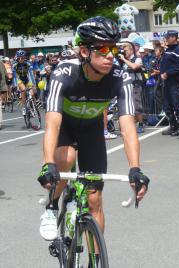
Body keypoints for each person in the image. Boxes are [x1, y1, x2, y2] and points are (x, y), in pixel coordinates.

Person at [37, 16, 149, 242]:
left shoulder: (120, 76)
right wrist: (48, 164)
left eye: (114, 49)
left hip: (91, 130)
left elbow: (127, 126)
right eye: (102, 49)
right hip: (65, 127)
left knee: (95, 200)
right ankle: (51, 206)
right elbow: (52, 123)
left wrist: (135, 169)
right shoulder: (64, 72)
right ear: (85, 52)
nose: (110, 55)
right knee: (66, 156)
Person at [160, 30, 179, 136]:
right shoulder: (168, 50)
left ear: (174, 38)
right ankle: (173, 126)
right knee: (167, 106)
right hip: (166, 82)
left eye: (168, 37)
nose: (166, 39)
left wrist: (167, 73)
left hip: (175, 82)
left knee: (177, 105)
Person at [118, 42, 145, 133]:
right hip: (126, 85)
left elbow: (134, 66)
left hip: (135, 84)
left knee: (136, 104)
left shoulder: (137, 59)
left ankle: (141, 124)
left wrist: (124, 59)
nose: (124, 52)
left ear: (131, 50)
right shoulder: (123, 60)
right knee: (127, 105)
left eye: (125, 50)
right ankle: (130, 124)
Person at [12, 50, 36, 115]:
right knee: (23, 90)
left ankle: (33, 106)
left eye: (22, 58)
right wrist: (14, 85)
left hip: (27, 79)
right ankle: (24, 108)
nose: (20, 59)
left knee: (32, 93)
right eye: (19, 58)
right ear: (17, 57)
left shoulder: (28, 63)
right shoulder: (14, 64)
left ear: (24, 57)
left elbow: (31, 74)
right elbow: (14, 76)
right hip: (19, 80)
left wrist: (34, 84)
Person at [0, 60, 8, 129]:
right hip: (2, 84)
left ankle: (2, 103)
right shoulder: (1, 63)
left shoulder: (1, 63)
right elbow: (6, 74)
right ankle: (2, 103)